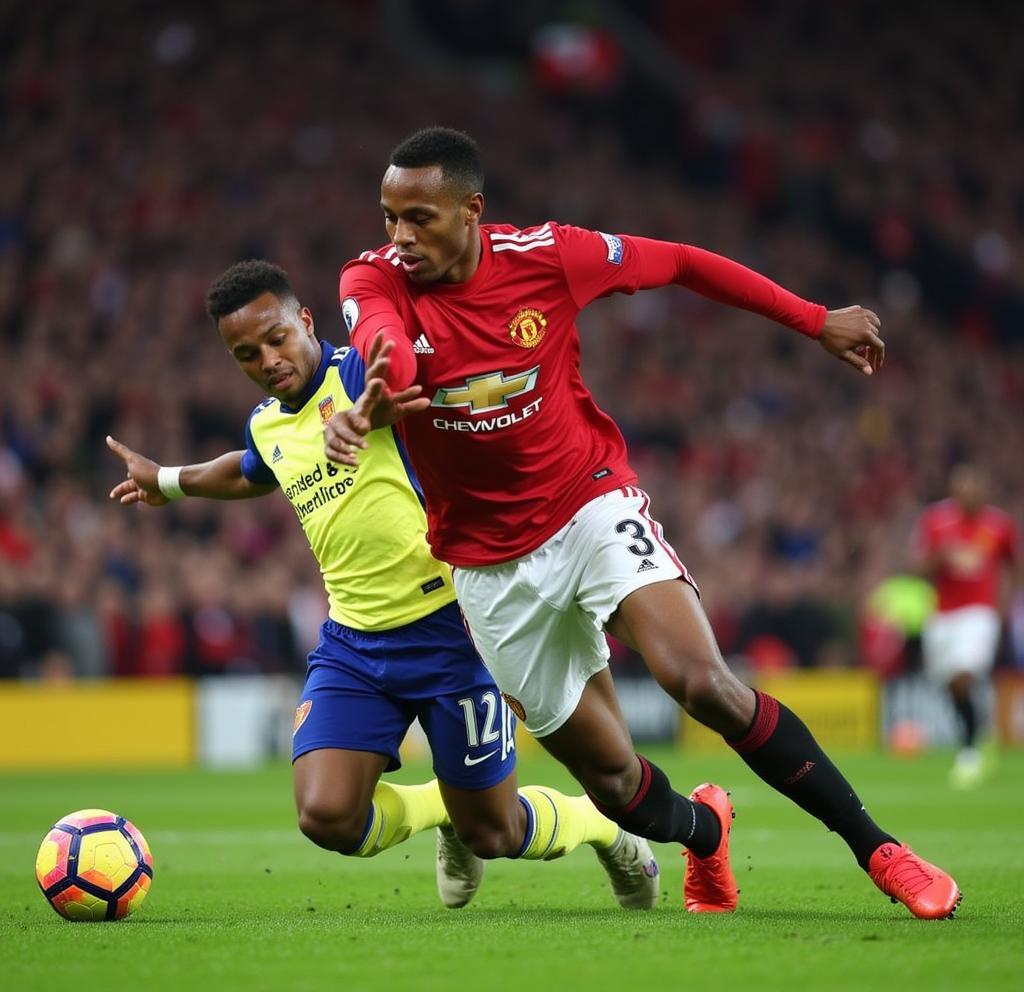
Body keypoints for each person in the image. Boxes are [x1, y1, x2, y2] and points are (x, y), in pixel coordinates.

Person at [324, 126, 961, 919]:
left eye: (419, 217)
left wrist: (813, 318)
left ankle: (883, 852)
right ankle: (704, 831)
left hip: (588, 505)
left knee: (705, 685)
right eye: (390, 217)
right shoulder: (371, 275)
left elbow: (686, 263)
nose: (399, 237)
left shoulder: (552, 255)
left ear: (471, 211)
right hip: (487, 569)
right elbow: (386, 341)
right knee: (617, 784)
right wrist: (378, 388)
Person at [106, 259, 659, 911]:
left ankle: (602, 827)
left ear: (306, 321)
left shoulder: (363, 378)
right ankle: (440, 808)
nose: (267, 359)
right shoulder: (268, 423)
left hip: (458, 632)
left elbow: (408, 372)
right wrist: (169, 481)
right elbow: (256, 469)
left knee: (496, 832)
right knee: (326, 815)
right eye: (246, 354)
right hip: (355, 644)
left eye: (277, 338)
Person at [913, 464, 1021, 788]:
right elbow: (919, 569)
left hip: (979, 612)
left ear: (982, 493)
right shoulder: (935, 520)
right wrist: (941, 557)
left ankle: (970, 752)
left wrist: (1006, 605)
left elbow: (1014, 566)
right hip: (942, 614)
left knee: (963, 676)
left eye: (973, 490)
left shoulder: (999, 525)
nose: (967, 495)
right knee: (948, 684)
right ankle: (978, 731)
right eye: (961, 489)